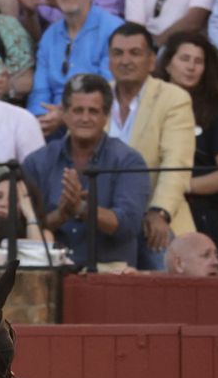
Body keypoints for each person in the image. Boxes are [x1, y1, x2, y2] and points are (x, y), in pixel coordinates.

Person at [22, 73, 150, 269]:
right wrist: (61, 215)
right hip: (51, 276)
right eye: (78, 110)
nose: (85, 118)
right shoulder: (38, 161)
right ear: (64, 113)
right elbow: (23, 228)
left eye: (93, 111)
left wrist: (83, 209)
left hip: (108, 276)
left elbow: (128, 225)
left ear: (106, 116)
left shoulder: (129, 160)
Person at [106, 24, 197, 269]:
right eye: (118, 53)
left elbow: (176, 162)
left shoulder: (173, 98)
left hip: (154, 219)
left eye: (134, 53)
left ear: (151, 61)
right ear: (109, 60)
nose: (125, 61)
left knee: (169, 284)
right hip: (105, 220)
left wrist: (160, 211)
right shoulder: (98, 96)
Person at [156, 30, 218, 248]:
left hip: (198, 209)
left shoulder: (215, 112)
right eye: (184, 59)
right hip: (152, 209)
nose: (191, 67)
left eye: (198, 61)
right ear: (167, 64)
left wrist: (180, 186)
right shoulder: (149, 105)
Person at [28, 0, 125, 130]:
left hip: (98, 125)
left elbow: (108, 92)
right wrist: (41, 119)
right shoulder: (49, 35)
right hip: (50, 128)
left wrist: (65, 116)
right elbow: (39, 94)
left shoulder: (113, 30)